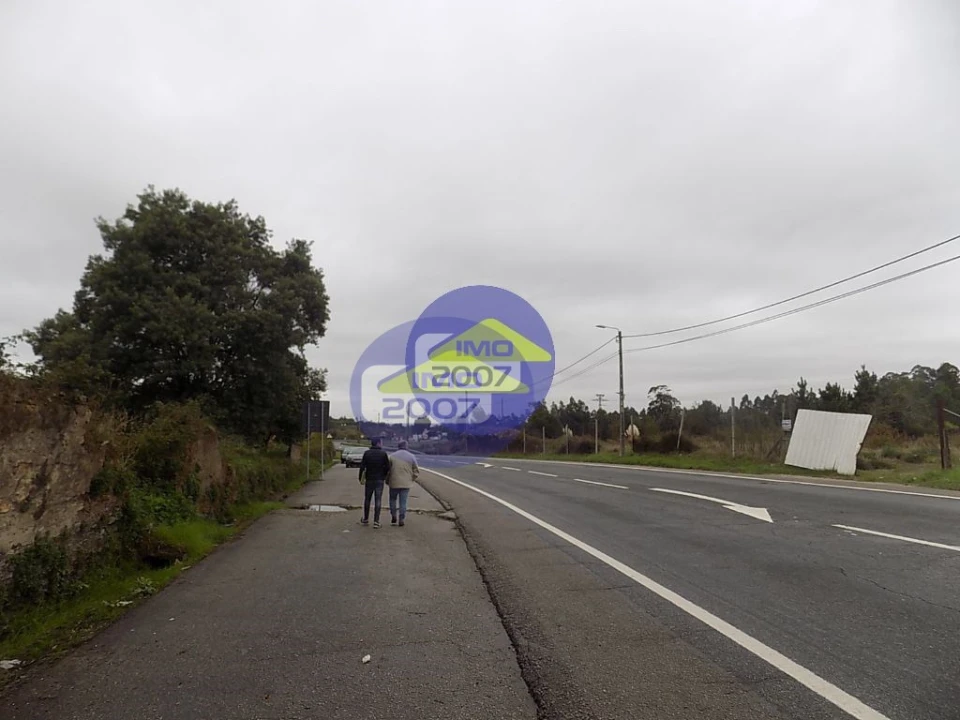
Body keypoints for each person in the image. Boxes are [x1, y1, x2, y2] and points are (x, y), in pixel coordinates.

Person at [358, 437, 390, 528]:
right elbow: (387, 467)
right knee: (378, 499)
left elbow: (362, 466)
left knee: (367, 499)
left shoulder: (367, 453)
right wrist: (383, 475)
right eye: (381, 442)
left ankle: (366, 519)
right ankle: (376, 521)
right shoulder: (383, 454)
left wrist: (360, 478)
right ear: (378, 443)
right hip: (379, 479)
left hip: (369, 479)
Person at [387, 440, 419, 527]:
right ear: (406, 446)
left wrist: (387, 480)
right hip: (406, 483)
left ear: (398, 446)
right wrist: (411, 479)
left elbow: (387, 470)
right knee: (403, 502)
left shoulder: (391, 456)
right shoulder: (412, 456)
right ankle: (401, 518)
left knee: (392, 499)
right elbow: (416, 471)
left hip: (394, 481)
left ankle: (393, 515)